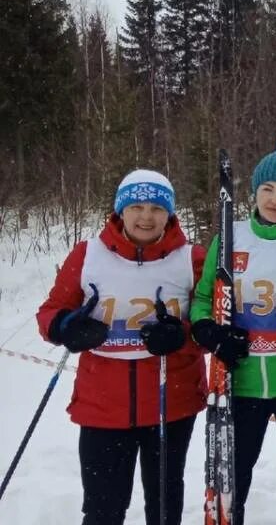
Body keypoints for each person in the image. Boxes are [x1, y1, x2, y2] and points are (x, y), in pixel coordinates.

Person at [37, 169, 206, 525]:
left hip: (169, 403)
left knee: (164, 504)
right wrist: (67, 327)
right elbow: (50, 312)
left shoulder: (191, 259)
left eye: (157, 208)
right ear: (120, 211)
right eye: (137, 206)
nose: (146, 217)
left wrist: (181, 335)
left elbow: (214, 324)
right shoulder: (88, 255)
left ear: (170, 214)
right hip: (103, 405)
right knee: (102, 508)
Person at [188, 139, 276, 525]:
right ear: (255, 191)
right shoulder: (231, 238)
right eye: (268, 189)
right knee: (232, 479)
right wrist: (210, 333)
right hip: (238, 381)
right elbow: (202, 298)